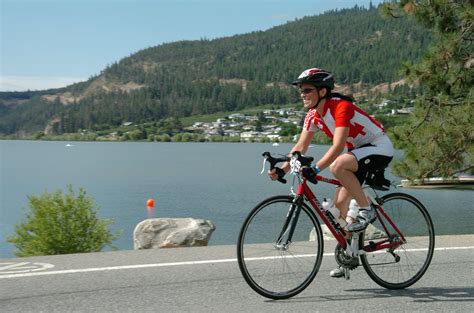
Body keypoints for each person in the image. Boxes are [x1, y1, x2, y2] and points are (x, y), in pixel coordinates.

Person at [268, 68, 394, 277]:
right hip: (358, 153)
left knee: (338, 165)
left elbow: (337, 147)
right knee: (337, 208)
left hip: (378, 147)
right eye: (301, 91)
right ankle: (350, 254)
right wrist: (282, 170)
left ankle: (366, 209)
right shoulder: (313, 116)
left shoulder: (341, 107)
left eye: (307, 90)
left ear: (323, 91)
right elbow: (301, 146)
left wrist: (316, 168)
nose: (302, 94)